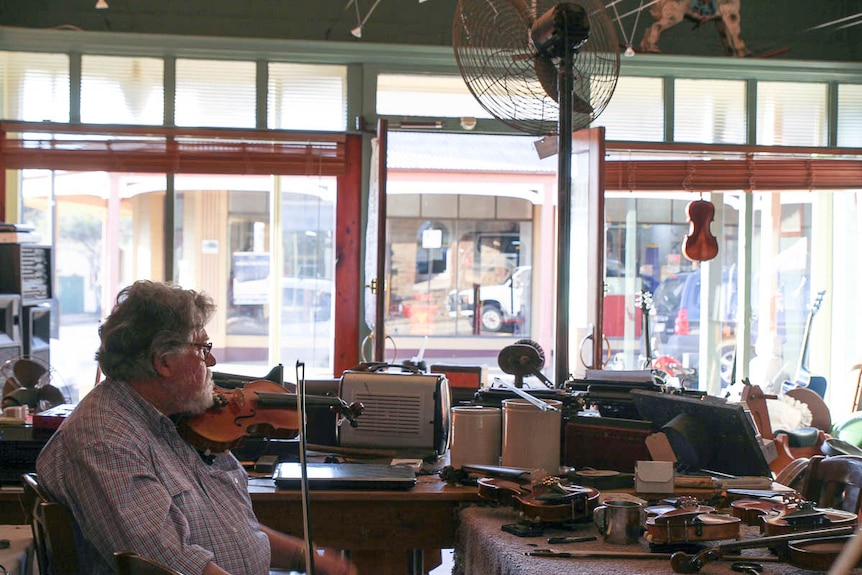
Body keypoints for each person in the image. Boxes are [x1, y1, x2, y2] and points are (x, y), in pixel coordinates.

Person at [36, 280, 357, 575]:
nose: (212, 361)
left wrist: (306, 556)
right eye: (202, 348)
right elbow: (170, 564)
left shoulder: (171, 420)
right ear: (164, 362)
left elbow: (234, 530)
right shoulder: (106, 439)